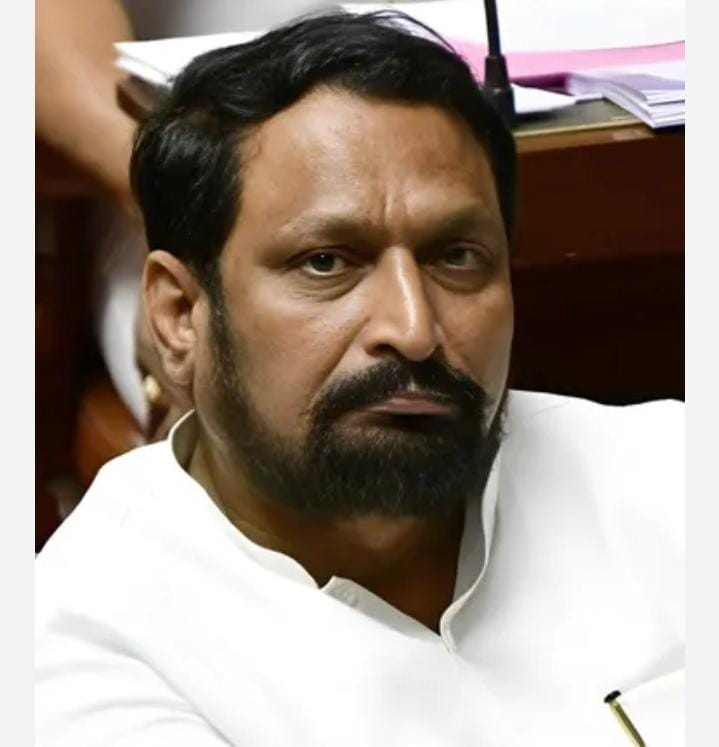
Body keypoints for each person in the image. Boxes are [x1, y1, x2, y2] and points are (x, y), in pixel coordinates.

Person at [35, 11, 684, 746]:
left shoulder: (668, 472)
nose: (413, 327)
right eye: (326, 263)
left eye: (456, 257)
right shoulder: (83, 651)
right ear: (181, 314)